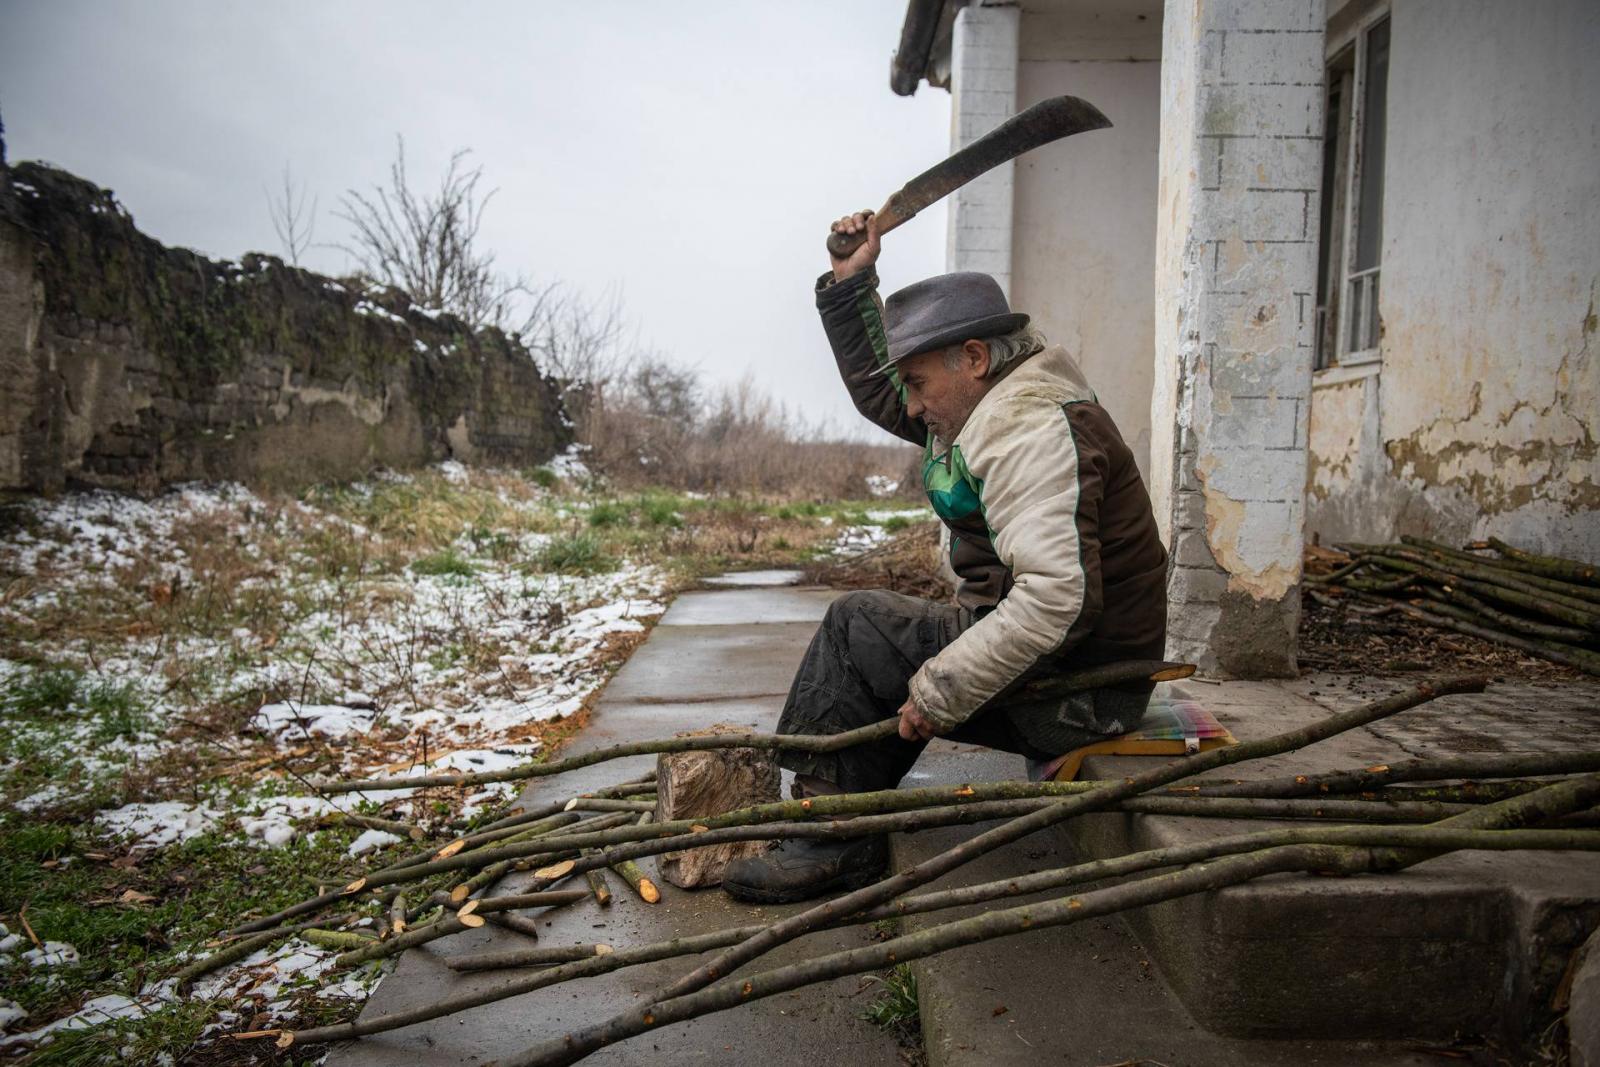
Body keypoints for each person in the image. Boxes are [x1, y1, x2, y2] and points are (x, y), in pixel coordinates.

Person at [722, 211, 1169, 904]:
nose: (912, 403)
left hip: (1085, 693)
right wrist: (850, 283)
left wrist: (941, 685)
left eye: (921, 382)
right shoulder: (978, 402)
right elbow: (882, 386)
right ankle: (841, 819)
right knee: (883, 638)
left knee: (857, 629)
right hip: (1072, 669)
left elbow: (1059, 598)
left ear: (975, 357)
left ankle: (828, 842)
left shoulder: (1031, 424)